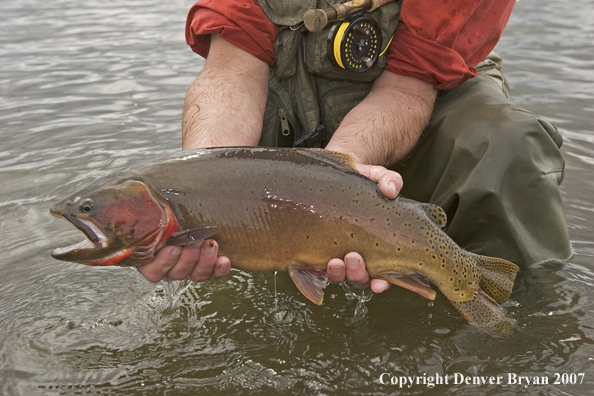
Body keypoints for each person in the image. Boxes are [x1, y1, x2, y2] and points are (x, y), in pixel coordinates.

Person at [137, 0, 572, 293]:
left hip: (423, 88)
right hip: (281, 95)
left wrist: (340, 177)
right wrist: (196, 188)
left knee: (509, 145)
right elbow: (232, 71)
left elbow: (407, 86)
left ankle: (522, 303)